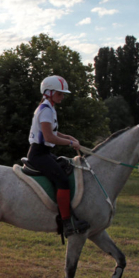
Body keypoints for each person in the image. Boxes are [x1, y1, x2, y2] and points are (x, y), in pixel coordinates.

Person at [27, 76, 90, 237]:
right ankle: (67, 222)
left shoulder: (49, 108)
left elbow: (54, 132)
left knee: (66, 169)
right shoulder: (46, 110)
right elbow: (49, 138)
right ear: (49, 92)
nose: (62, 97)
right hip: (39, 154)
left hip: (44, 152)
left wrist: (69, 137)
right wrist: (70, 144)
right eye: (60, 94)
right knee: (62, 180)